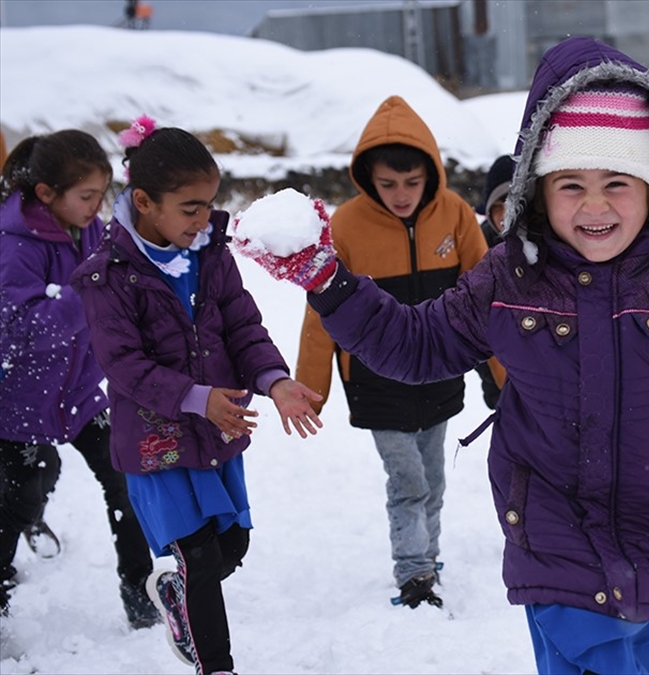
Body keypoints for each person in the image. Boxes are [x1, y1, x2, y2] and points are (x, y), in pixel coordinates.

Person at [243, 36, 649, 675]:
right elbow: (417, 346)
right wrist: (328, 281)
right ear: (538, 190)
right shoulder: (508, 278)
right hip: (555, 539)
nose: (594, 205)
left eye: (617, 182)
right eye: (570, 184)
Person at [71, 117, 323, 674]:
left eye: (210, 204)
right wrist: (195, 396)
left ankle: (177, 596)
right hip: (156, 441)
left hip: (215, 430)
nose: (204, 218)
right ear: (143, 201)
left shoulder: (211, 254)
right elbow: (125, 366)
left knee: (231, 547)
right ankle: (219, 665)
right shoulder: (106, 275)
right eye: (190, 207)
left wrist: (275, 382)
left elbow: (243, 327)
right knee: (201, 560)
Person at [293, 95, 488, 609]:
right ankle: (414, 573)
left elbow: (490, 300)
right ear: (367, 179)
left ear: (431, 173)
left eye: (411, 183)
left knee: (435, 478)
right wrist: (310, 389)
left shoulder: (457, 216)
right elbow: (321, 314)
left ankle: (430, 555)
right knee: (407, 481)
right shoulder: (345, 227)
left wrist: (508, 375)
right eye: (387, 184)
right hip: (375, 380)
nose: (400, 195)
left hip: (442, 373)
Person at [0, 129, 159, 627]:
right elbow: (16, 331)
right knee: (24, 488)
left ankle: (141, 592)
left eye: (101, 195)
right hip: (19, 401)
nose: (96, 207)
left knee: (128, 480)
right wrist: (84, 297)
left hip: (84, 393)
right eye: (86, 196)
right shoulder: (12, 246)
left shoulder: (89, 228)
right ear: (47, 194)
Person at [472, 154, 515, 409]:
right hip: (495, 368)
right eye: (500, 204)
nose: (508, 213)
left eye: (517, 201)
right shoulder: (477, 245)